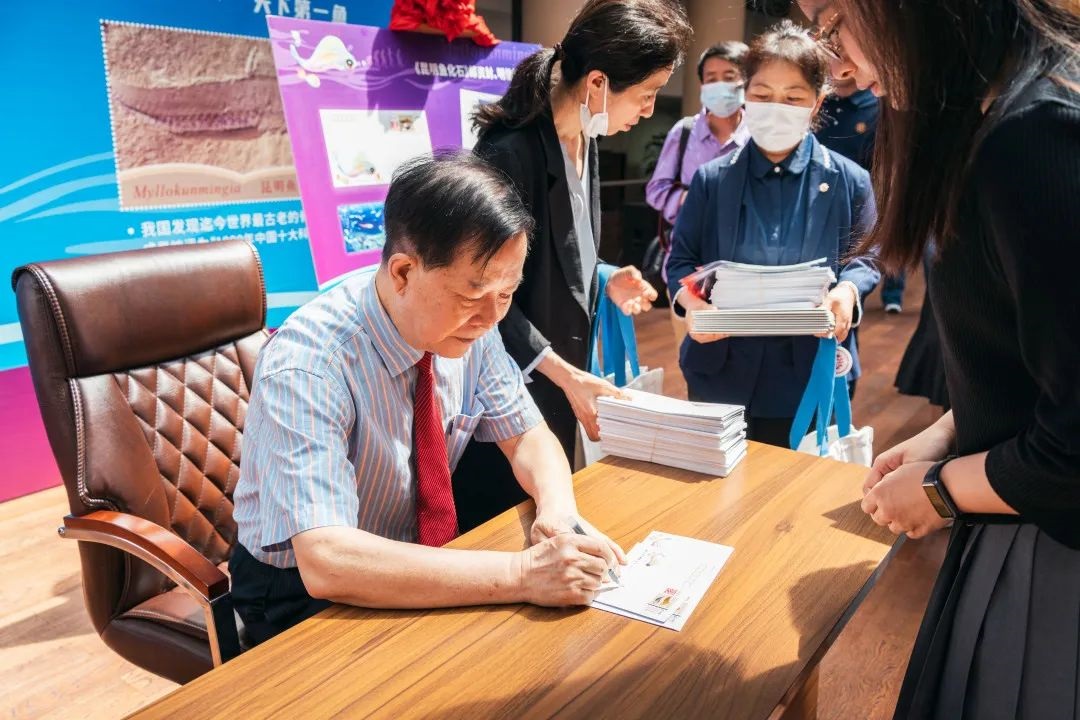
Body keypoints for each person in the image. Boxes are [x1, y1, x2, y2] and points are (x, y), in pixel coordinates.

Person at [802, 0, 1080, 716]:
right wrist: (950, 431)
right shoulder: (1007, 116)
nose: (836, 64)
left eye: (832, 23)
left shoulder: (1037, 137)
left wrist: (939, 490)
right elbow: (1039, 361)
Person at [230, 152, 626, 644]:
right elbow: (327, 559)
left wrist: (558, 512)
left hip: (411, 554)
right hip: (300, 589)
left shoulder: (474, 327)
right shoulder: (310, 364)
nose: (492, 317)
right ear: (402, 273)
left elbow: (527, 434)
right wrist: (523, 574)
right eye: (472, 296)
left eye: (507, 294)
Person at [452, 0, 692, 531]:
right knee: (504, 526)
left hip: (561, 377)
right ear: (598, 83)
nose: (650, 110)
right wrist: (562, 373)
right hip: (510, 389)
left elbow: (557, 250)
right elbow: (483, 294)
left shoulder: (586, 138)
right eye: (647, 93)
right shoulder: (509, 154)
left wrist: (604, 276)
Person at [665, 20, 880, 448]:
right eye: (763, 95)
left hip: (811, 370)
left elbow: (869, 256)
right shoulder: (711, 180)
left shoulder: (849, 179)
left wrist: (848, 291)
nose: (776, 107)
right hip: (721, 371)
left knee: (800, 485)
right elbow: (681, 262)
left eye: (793, 97)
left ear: (817, 102)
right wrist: (693, 305)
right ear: (745, 97)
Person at [646, 40, 751, 349]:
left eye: (729, 76)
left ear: (746, 80)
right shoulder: (684, 132)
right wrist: (693, 201)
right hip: (688, 266)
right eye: (711, 78)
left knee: (744, 354)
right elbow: (656, 190)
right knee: (692, 353)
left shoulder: (759, 135)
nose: (720, 85)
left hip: (746, 267)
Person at [814, 65, 906, 315]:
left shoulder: (877, 104)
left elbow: (889, 158)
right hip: (820, 199)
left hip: (866, 194)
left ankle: (892, 293)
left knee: (869, 255)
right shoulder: (820, 103)